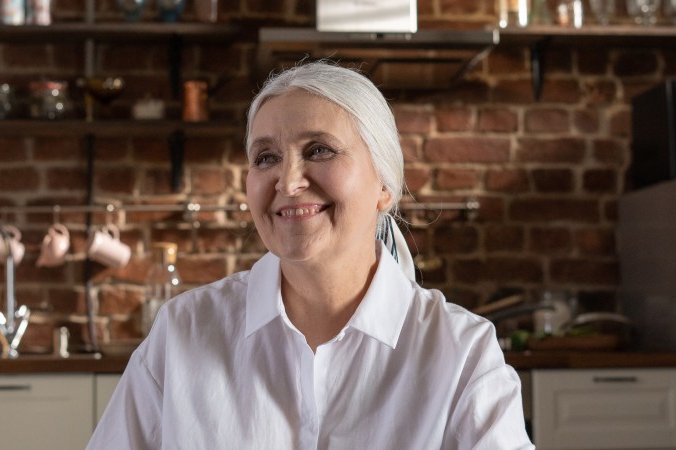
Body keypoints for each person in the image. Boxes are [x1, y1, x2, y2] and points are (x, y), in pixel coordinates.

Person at [87, 61, 534, 449]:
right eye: (266, 158)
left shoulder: (462, 352)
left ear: (384, 185)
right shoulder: (184, 332)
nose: (287, 181)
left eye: (319, 150)